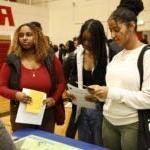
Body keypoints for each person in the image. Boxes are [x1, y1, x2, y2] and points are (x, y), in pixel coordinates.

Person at [87, 0, 150, 150]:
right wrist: (100, 94)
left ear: (131, 26)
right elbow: (113, 90)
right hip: (108, 121)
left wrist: (110, 92)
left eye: (116, 29)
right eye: (111, 30)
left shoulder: (146, 55)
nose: (113, 35)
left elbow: (147, 99)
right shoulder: (117, 57)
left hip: (131, 125)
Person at [0, 23, 66, 132]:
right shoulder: (12, 60)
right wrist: (16, 95)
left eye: (29, 34)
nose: (24, 38)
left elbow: (61, 82)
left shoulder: (49, 57)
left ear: (37, 36)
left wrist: (54, 99)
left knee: (45, 145)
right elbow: (1, 86)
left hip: (46, 113)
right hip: (21, 114)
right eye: (21, 35)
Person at [64, 19, 111, 145]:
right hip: (81, 111)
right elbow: (63, 81)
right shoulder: (74, 57)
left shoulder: (110, 55)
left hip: (104, 111)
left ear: (99, 39)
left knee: (101, 144)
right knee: (84, 145)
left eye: (91, 40)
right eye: (83, 39)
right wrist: (68, 92)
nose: (86, 43)